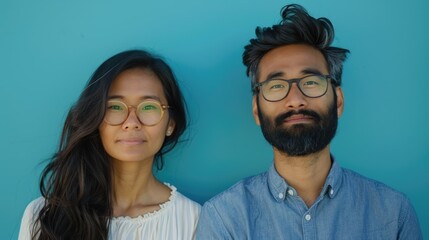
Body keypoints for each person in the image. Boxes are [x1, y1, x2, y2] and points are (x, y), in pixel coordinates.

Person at [196, 4, 422, 239]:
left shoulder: (394, 213)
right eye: (276, 86)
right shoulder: (225, 218)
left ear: (338, 101)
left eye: (312, 82)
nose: (295, 100)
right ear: (256, 110)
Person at [19, 50, 200, 239]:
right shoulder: (43, 216)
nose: (131, 122)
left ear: (170, 124)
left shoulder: (193, 220)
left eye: (148, 107)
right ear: (95, 119)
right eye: (114, 107)